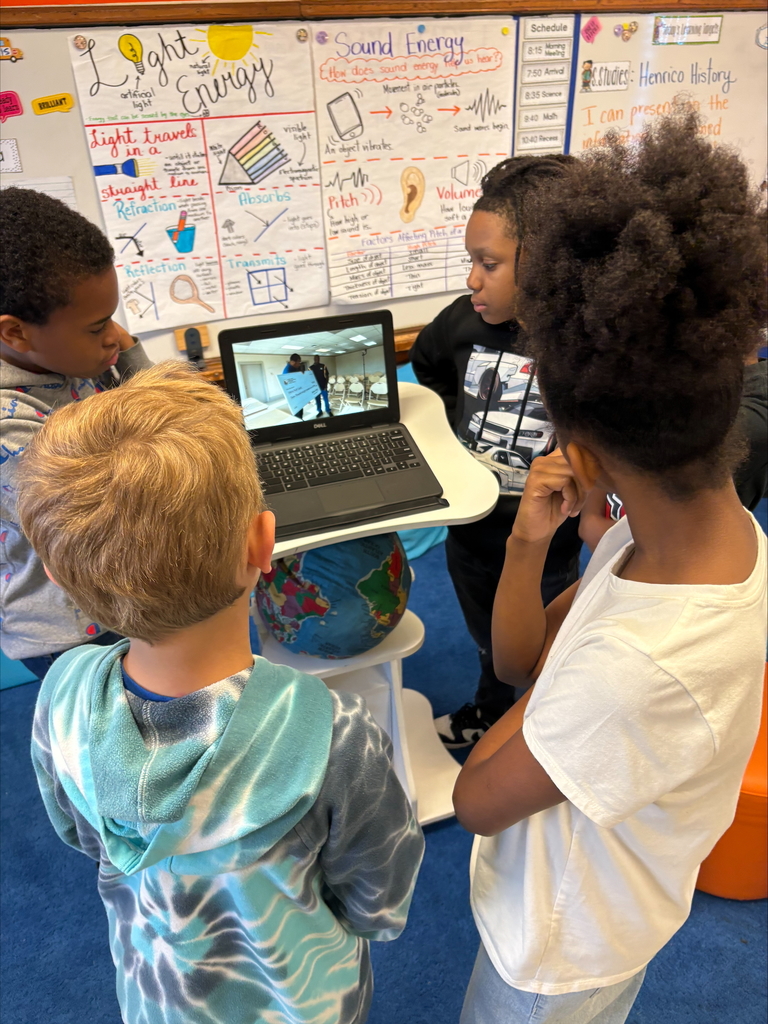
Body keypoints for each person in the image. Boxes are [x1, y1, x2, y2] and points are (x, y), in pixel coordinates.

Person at [452, 113, 767, 1024]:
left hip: (557, 950)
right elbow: (521, 661)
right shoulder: (695, 535)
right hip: (602, 903)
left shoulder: (634, 670)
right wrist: (535, 544)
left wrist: (550, 688)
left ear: (579, 447)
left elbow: (475, 799)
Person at [19, 361, 424, 1024]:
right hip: (307, 1003)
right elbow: (378, 901)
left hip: (158, 996)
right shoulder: (334, 733)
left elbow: (83, 835)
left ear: (62, 579)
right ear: (264, 543)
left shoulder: (61, 694)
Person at [410, 155, 583, 747]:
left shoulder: (582, 343)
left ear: (546, 262)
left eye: (489, 264)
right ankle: (489, 706)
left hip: (547, 547)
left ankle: (535, 733)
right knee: (487, 637)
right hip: (470, 530)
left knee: (539, 648)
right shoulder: (464, 322)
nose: (472, 279)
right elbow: (428, 365)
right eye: (472, 262)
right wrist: (452, 429)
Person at [0, 186, 152, 675]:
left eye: (112, 318)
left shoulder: (73, 359)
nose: (114, 337)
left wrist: (127, 356)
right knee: (106, 721)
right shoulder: (8, 426)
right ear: (16, 333)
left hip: (122, 596)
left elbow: (162, 414)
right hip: (68, 632)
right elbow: (98, 517)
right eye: (96, 326)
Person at [579, 341, 768, 552]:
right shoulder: (675, 376)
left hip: (660, 554)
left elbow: (680, 543)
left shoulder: (743, 422)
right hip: (623, 535)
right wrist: (592, 517)